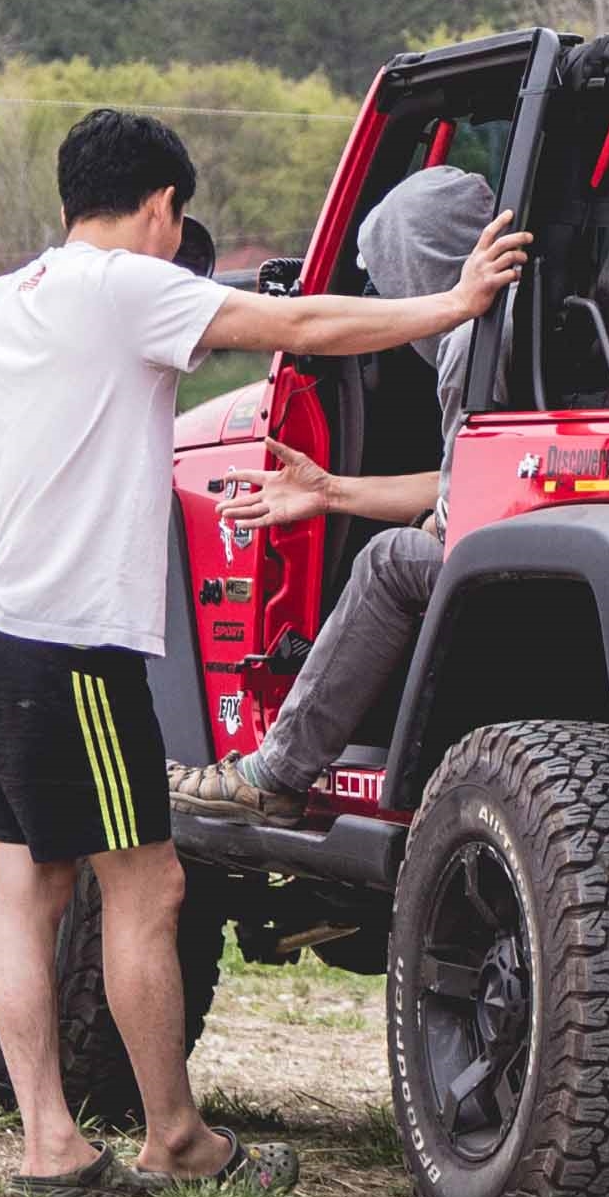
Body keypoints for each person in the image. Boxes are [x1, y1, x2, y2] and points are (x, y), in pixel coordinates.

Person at [0, 109, 525, 1197]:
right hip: (74, 653)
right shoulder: (125, 287)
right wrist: (450, 304)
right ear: (160, 206)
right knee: (148, 885)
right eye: (177, 219)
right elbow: (297, 325)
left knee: (24, 886)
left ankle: (50, 1142)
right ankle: (173, 1137)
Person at [170, 164, 498, 829]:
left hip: (498, 581)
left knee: (387, 560)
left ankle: (275, 773)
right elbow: (460, 484)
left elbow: (450, 522)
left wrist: (402, 517)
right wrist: (330, 491)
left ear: (420, 263)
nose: (384, 301)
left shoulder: (470, 346)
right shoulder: (535, 326)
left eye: (387, 279)